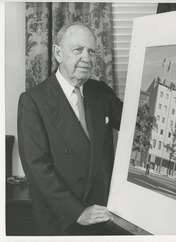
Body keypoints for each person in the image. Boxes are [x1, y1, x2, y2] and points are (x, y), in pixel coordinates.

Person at [17, 22, 123, 235]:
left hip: (103, 216)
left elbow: (135, 128)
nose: (86, 58)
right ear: (58, 53)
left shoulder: (101, 92)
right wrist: (77, 212)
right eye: (78, 50)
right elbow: (38, 170)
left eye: (91, 51)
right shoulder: (33, 101)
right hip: (62, 221)